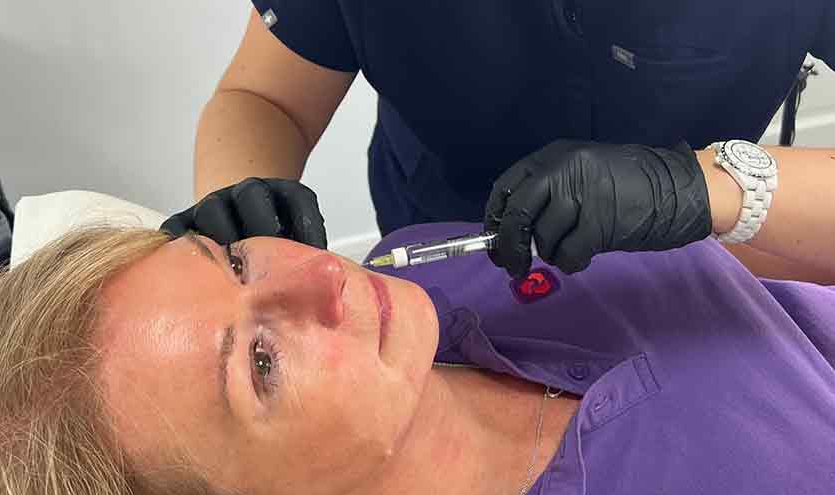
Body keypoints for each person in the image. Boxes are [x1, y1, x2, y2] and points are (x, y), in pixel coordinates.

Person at [0, 215, 833, 495]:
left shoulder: (443, 263)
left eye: (231, 260)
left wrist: (724, 189)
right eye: (260, 362)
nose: (321, 274)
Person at [164, 3, 835, 281]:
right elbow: (263, 99)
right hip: (439, 243)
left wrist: (698, 188)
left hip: (688, 253)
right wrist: (239, 197)